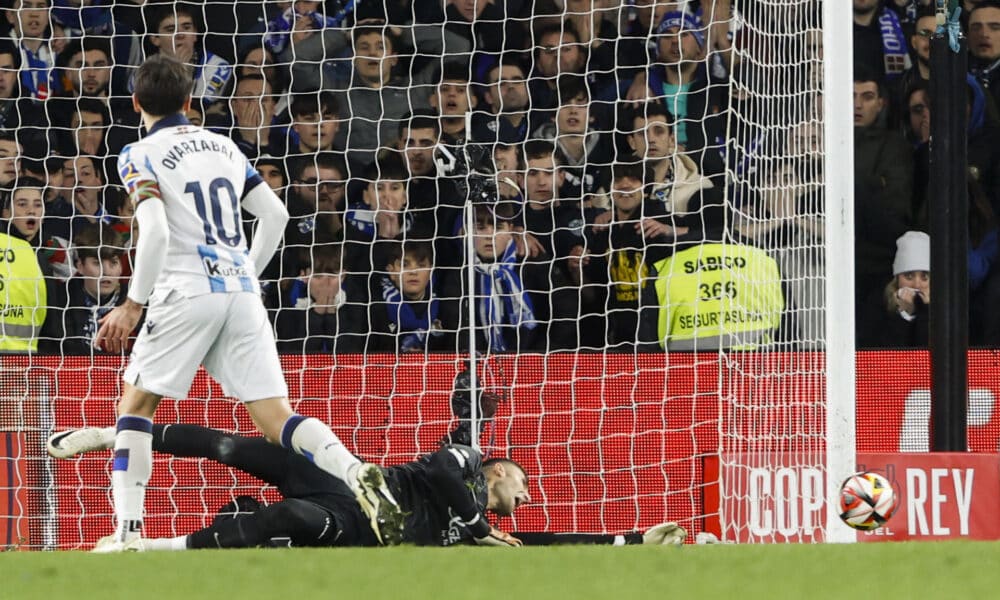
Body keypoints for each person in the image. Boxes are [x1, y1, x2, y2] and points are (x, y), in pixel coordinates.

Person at [91, 54, 402, 552]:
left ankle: (128, 532)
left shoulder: (137, 153)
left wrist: (132, 304)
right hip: (238, 290)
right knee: (275, 418)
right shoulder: (223, 146)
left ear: (135, 103)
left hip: (185, 289)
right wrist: (244, 275)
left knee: (136, 405)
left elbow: (153, 232)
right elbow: (275, 216)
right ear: (190, 101)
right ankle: (355, 470)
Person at [46, 422, 688, 549]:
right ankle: (117, 434)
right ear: (497, 471)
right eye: (521, 484)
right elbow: (436, 468)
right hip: (347, 479)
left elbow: (543, 541)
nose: (525, 498)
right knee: (234, 447)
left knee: (283, 523)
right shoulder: (466, 463)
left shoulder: (482, 529)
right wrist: (476, 526)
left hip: (355, 525)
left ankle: (145, 548)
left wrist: (629, 539)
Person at [856, 231, 930, 348]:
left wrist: (925, 310)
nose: (916, 285)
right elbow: (881, 352)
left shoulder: (948, 308)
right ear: (897, 278)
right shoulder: (878, 303)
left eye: (924, 277)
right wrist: (905, 314)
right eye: (909, 276)